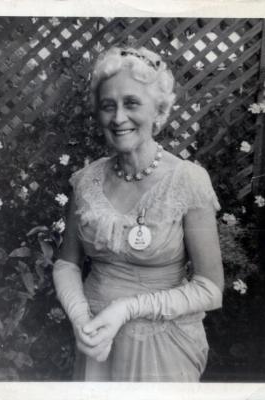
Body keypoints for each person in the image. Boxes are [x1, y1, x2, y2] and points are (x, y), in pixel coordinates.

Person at [53, 46, 224, 382]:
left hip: (163, 347)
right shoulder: (86, 180)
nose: (118, 118)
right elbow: (67, 263)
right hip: (97, 342)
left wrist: (126, 309)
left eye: (131, 103)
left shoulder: (187, 180)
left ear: (158, 109)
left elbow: (210, 288)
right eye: (108, 106)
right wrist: (80, 320)